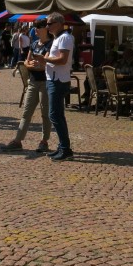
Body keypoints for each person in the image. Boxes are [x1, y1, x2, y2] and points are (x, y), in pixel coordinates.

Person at [1, 18, 52, 153]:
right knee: (26, 112)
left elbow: (45, 66)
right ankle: (18, 141)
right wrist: (35, 65)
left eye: (38, 27)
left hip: (45, 82)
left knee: (45, 113)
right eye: (35, 27)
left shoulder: (51, 44)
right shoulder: (34, 44)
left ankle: (44, 141)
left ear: (46, 29)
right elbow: (26, 63)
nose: (35, 30)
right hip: (33, 82)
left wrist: (37, 65)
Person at [30, 12, 75, 161]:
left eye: (49, 23)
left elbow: (62, 60)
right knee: (57, 114)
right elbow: (54, 60)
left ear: (59, 23)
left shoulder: (65, 38)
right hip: (53, 79)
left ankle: (65, 148)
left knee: (54, 115)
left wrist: (44, 58)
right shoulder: (57, 38)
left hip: (58, 80)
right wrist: (43, 61)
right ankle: (64, 147)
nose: (47, 26)